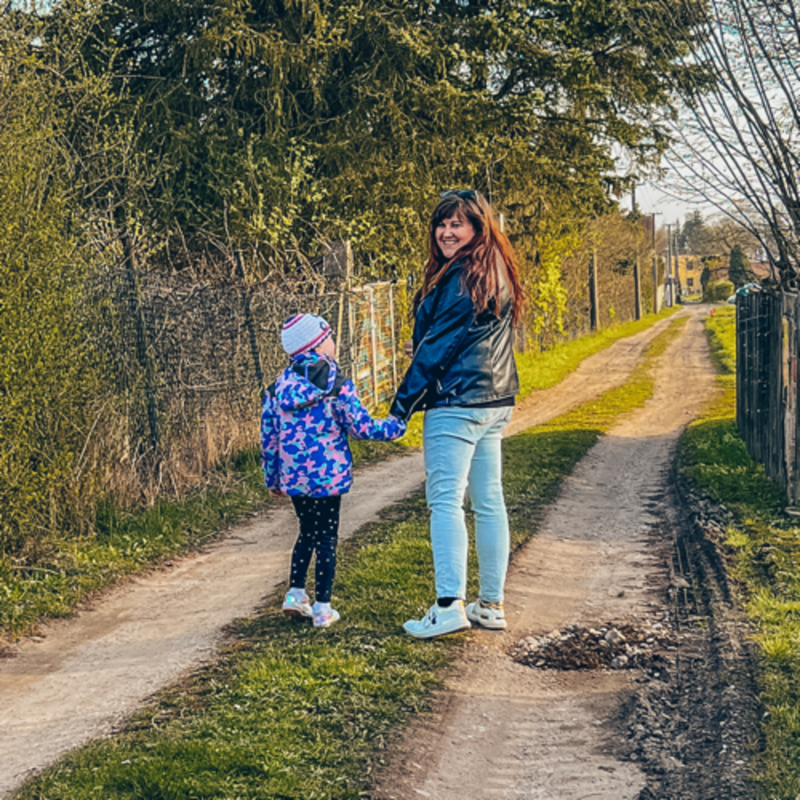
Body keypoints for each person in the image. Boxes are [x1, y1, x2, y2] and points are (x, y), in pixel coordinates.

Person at [390, 190, 524, 639]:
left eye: (457, 224)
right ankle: (491, 604)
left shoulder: (463, 275)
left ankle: (449, 606)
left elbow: (437, 349)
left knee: (445, 502)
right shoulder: (493, 268)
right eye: (441, 224)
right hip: (495, 400)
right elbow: (467, 338)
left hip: (457, 403)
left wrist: (400, 408)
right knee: (489, 501)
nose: (446, 233)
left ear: (477, 228)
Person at [261, 313, 406, 628]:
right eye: (329, 337)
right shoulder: (337, 386)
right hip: (328, 477)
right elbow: (361, 427)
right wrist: (396, 426)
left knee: (306, 531)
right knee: (326, 537)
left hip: (295, 478)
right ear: (316, 345)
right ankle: (323, 609)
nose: (334, 342)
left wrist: (272, 478)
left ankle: (295, 594)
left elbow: (269, 440)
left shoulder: (276, 391)